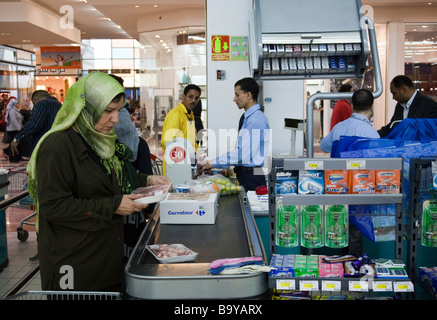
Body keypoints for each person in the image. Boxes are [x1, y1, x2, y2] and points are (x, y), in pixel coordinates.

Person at [26, 72, 170, 292]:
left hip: (103, 258)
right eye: (108, 111)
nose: (116, 119)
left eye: (119, 111)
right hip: (73, 264)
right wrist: (113, 205)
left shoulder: (98, 140)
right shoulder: (58, 146)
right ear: (85, 108)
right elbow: (53, 207)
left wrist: (148, 179)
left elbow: (114, 175)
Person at [198, 77, 270, 191]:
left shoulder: (255, 120)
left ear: (248, 95)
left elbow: (243, 154)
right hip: (247, 175)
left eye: (237, 95)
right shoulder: (249, 118)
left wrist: (213, 163)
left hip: (252, 177)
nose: (234, 99)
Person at [320, 88, 380, 154]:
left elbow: (324, 146)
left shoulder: (338, 128)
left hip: (339, 164)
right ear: (372, 108)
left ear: (352, 106)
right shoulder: (372, 134)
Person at [161, 84, 201, 174]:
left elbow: (191, 140)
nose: (193, 100)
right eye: (190, 97)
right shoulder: (176, 114)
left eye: (196, 98)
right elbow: (168, 142)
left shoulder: (190, 115)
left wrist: (199, 155)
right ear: (183, 96)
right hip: (175, 166)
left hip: (186, 164)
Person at [10, 90, 61, 159]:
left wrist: (17, 138)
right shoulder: (59, 104)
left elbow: (33, 124)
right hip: (58, 143)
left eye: (34, 103)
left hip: (42, 146)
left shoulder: (42, 104)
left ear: (36, 100)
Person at [2, 97, 23, 162]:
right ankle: (13, 158)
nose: (18, 105)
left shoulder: (15, 110)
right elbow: (13, 120)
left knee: (17, 144)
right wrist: (19, 128)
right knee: (13, 144)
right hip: (13, 130)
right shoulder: (12, 110)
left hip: (16, 129)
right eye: (17, 104)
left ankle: (17, 157)